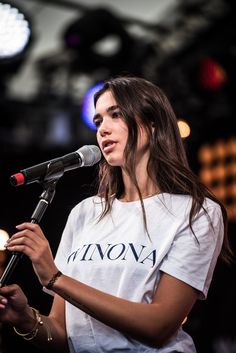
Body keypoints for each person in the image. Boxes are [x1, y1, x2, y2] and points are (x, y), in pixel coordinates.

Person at [0, 76, 233, 353]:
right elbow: (64, 335)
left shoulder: (197, 211)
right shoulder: (85, 213)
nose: (103, 130)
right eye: (98, 121)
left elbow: (159, 327)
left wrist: (56, 278)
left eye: (116, 115)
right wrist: (26, 319)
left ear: (153, 123)